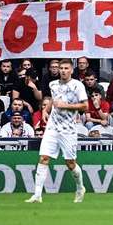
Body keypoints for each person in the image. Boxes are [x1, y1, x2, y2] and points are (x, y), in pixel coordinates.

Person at [25, 58, 88, 204]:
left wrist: (66, 106)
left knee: (70, 163)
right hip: (52, 127)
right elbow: (54, 99)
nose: (64, 71)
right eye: (61, 68)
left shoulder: (77, 85)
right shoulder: (52, 84)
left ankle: (80, 188)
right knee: (43, 158)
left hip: (68, 129)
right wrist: (46, 110)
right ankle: (37, 195)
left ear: (71, 70)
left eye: (66, 68)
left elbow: (85, 107)